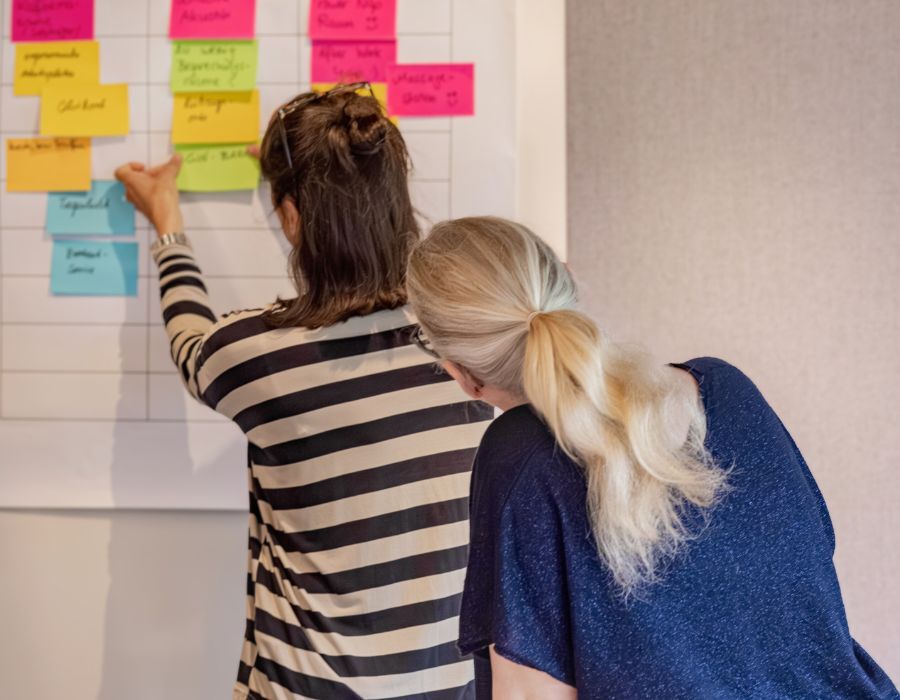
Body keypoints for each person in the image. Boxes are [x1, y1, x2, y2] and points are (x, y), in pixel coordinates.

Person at [405, 216, 899, 700]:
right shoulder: (724, 386)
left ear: (461, 374)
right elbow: (810, 568)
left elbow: (529, 693)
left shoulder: (517, 454)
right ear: (568, 283)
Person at [115, 84, 493, 700]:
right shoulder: (469, 334)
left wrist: (168, 225)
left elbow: (190, 344)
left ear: (291, 216)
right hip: (454, 683)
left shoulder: (257, 355)